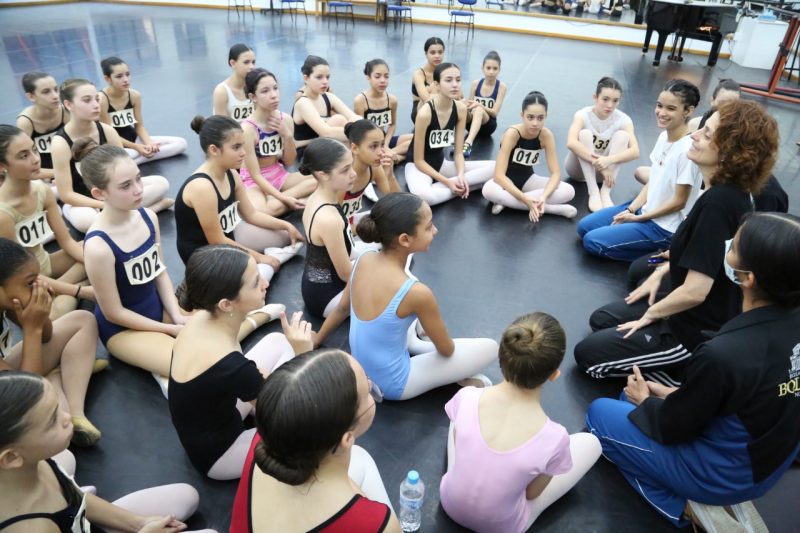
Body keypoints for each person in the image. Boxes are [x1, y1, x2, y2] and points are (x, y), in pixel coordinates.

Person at [585, 212, 800, 531]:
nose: (726, 246)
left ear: (749, 278)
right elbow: (752, 398)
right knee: (629, 401)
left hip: (725, 476)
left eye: (733, 246)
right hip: (769, 465)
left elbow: (674, 428)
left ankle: (689, 508)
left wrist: (646, 401)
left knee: (600, 414)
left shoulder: (724, 353)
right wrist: (675, 394)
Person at [574, 101, 779, 386]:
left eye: (706, 134)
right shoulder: (722, 192)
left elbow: (695, 291)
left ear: (730, 152)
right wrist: (662, 270)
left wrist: (651, 315)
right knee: (603, 318)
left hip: (692, 330)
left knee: (588, 356)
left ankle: (683, 374)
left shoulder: (719, 203)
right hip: (686, 306)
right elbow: (706, 255)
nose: (694, 135)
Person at [316, 193, 499, 400]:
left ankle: (418, 346)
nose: (435, 230)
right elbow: (446, 350)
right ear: (404, 239)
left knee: (402, 315)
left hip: (359, 369)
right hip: (392, 385)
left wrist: (317, 340)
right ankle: (434, 359)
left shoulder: (363, 258)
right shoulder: (417, 293)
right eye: (429, 227)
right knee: (491, 348)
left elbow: (341, 309)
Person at [440, 313, 601, 533]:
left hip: (450, 505)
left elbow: (459, 447)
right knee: (592, 443)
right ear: (554, 375)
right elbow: (532, 494)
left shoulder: (467, 396)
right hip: (501, 528)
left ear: (502, 358)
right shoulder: (555, 438)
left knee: (459, 415)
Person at [169, 244, 311, 480]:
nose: (265, 284)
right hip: (219, 455)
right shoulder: (230, 365)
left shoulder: (204, 316)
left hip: (218, 414)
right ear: (226, 304)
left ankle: (258, 404)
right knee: (310, 431)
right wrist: (303, 353)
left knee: (277, 341)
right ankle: (259, 408)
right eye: (256, 283)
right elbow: (292, 413)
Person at [0, 371, 205, 532]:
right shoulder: (31, 527)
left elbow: (76, 497)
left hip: (77, 522)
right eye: (52, 420)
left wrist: (139, 523)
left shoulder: (36, 461)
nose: (67, 417)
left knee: (186, 496)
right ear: (11, 457)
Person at [230, 349, 400, 532]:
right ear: (347, 438)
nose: (369, 384)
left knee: (361, 458)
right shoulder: (376, 523)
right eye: (367, 392)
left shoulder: (267, 438)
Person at [78, 141, 187, 396]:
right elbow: (113, 312)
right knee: (190, 365)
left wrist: (176, 314)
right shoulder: (98, 246)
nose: (139, 190)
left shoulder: (148, 217)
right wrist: (169, 329)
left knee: (213, 341)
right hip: (122, 330)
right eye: (126, 186)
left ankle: (160, 367)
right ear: (99, 194)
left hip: (157, 309)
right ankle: (160, 367)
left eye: (139, 179)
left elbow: (160, 272)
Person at [576, 79, 701, 261]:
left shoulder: (687, 151)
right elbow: (653, 181)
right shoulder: (663, 137)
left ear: (688, 111)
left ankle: (662, 251)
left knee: (592, 242)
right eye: (659, 105)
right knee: (584, 227)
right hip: (644, 210)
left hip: (663, 228)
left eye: (671, 109)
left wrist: (639, 219)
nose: (661, 113)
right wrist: (632, 209)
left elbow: (679, 203)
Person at [175, 115, 303, 277]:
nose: (243, 153)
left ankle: (264, 262)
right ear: (214, 150)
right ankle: (261, 267)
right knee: (254, 277)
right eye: (236, 147)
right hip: (205, 255)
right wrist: (260, 258)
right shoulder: (202, 187)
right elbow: (216, 241)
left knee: (287, 237)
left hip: (228, 237)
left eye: (242, 146)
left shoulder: (232, 174)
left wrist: (286, 225)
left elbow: (251, 214)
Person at [0, 239, 99, 446]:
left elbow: (46, 337)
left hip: (9, 375)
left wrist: (40, 316)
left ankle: (76, 412)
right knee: (56, 438)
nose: (39, 286)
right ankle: (58, 378)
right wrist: (32, 329)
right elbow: (27, 396)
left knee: (82, 320)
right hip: (13, 399)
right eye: (30, 283)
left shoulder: (8, 299)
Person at [51, 78, 171, 233]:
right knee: (86, 222)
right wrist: (105, 205)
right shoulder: (60, 143)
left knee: (161, 183)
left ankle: (121, 217)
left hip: (115, 194)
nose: (96, 105)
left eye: (97, 99)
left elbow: (127, 168)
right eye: (87, 100)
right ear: (68, 105)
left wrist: (116, 199)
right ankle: (150, 210)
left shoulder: (107, 131)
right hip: (83, 202)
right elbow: (67, 194)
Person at [0, 125, 91, 320]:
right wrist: (80, 290)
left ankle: (61, 290)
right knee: (51, 318)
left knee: (96, 248)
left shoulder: (42, 190)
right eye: (23, 156)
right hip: (27, 284)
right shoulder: (3, 215)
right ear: (2, 166)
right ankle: (78, 287)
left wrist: (95, 261)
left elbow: (67, 242)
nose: (35, 159)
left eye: (34, 150)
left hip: (46, 264)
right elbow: (22, 276)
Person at [405, 63, 496, 207]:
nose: (455, 85)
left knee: (496, 167)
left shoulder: (460, 109)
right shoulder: (425, 113)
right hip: (418, 167)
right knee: (424, 197)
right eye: (448, 80)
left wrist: (460, 175)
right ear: (437, 84)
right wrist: (448, 182)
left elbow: (458, 153)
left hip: (441, 163)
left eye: (458, 80)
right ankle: (471, 186)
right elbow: (419, 161)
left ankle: (458, 185)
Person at [481, 91, 577, 220]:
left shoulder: (546, 135)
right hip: (504, 183)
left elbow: (555, 174)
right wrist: (525, 199)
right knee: (488, 190)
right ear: (522, 115)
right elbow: (499, 176)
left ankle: (507, 203)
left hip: (528, 179)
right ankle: (552, 209)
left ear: (546, 116)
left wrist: (544, 196)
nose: (535, 123)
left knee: (568, 190)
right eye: (530, 117)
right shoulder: (512, 134)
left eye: (540, 118)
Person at [240, 68, 316, 218]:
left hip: (278, 174)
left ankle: (275, 201)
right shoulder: (247, 130)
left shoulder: (285, 120)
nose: (274, 95)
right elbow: (255, 175)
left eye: (275, 88)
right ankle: (297, 201)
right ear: (253, 96)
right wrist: (284, 198)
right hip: (254, 181)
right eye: (265, 91)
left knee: (323, 179)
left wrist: (287, 136)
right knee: (262, 212)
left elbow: (289, 161)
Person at [564, 76, 639, 212]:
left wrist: (608, 161)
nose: (610, 105)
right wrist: (599, 164)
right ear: (595, 97)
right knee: (584, 134)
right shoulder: (583, 115)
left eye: (615, 100)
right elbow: (571, 142)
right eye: (605, 99)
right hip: (578, 170)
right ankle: (593, 192)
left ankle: (605, 192)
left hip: (604, 175)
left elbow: (635, 152)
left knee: (623, 136)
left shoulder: (624, 119)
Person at [300, 138, 356, 318]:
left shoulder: (318, 197)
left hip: (318, 282)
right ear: (323, 174)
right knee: (396, 285)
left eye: (351, 166)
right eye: (345, 170)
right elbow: (346, 274)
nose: (353, 174)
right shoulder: (329, 219)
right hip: (327, 297)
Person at [99, 56, 188, 165]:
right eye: (119, 76)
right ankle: (134, 158)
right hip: (114, 145)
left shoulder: (135, 96)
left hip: (133, 139)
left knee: (181, 143)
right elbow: (109, 135)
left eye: (127, 74)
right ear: (107, 79)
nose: (126, 80)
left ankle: (134, 160)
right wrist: (137, 147)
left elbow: (139, 126)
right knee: (125, 155)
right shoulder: (101, 100)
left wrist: (150, 144)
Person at [292, 56, 359, 160]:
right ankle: (350, 162)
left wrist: (363, 126)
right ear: (306, 78)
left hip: (325, 146)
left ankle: (351, 162)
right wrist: (359, 133)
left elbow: (354, 117)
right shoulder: (303, 103)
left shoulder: (328, 97)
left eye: (327, 77)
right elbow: (326, 133)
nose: (325, 82)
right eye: (319, 77)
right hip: (307, 154)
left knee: (350, 121)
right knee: (339, 120)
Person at [342, 119, 400, 235]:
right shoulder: (342, 178)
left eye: (382, 145)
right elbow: (334, 225)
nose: (381, 152)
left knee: (399, 218)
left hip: (349, 221)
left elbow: (397, 201)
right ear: (355, 148)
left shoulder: (374, 169)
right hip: (333, 230)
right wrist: (372, 230)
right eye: (373, 146)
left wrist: (390, 175)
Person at [354, 59, 412, 164]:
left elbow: (392, 125)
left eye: (386, 76)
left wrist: (385, 145)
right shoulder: (361, 101)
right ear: (368, 77)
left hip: (385, 140)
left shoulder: (392, 100)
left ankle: (392, 155)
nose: (382, 80)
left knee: (417, 140)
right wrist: (378, 146)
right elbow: (359, 132)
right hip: (369, 144)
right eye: (377, 76)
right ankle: (395, 157)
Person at [16, 71, 69, 183]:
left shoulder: (64, 112)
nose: (55, 96)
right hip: (42, 175)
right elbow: (24, 167)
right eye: (46, 92)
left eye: (56, 89)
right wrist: (58, 173)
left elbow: (77, 145)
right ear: (31, 96)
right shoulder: (25, 122)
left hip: (67, 167)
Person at [463, 51, 507, 158]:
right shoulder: (475, 83)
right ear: (482, 68)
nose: (491, 72)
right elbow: (469, 106)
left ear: (499, 70)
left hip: (488, 125)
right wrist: (463, 103)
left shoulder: (501, 87)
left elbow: (495, 113)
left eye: (495, 69)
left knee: (478, 109)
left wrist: (480, 106)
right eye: (488, 68)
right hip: (471, 123)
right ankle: (457, 142)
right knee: (462, 109)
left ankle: (468, 143)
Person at [212, 43, 256, 122]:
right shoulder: (222, 91)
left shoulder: (256, 87)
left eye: (253, 62)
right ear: (232, 63)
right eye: (246, 62)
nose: (251, 67)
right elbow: (220, 126)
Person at [410, 37, 444, 123]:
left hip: (441, 106)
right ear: (426, 54)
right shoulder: (419, 74)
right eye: (433, 53)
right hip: (421, 110)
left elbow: (459, 95)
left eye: (440, 52)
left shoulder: (446, 72)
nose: (437, 56)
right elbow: (426, 99)